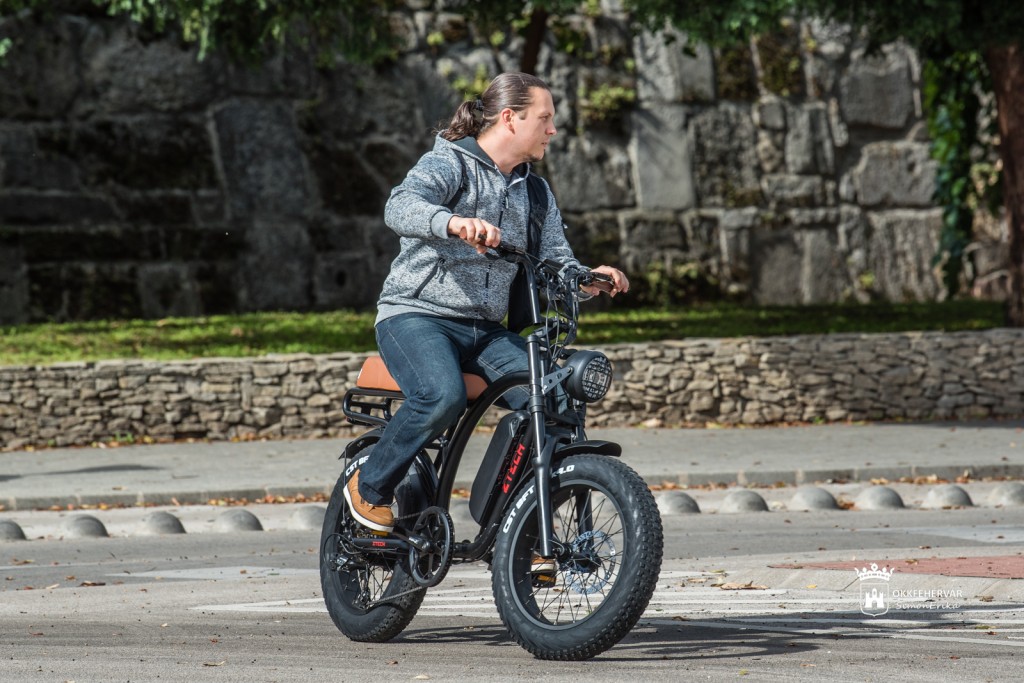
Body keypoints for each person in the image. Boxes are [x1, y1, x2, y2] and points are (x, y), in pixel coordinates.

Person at [344, 72, 629, 533]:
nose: (553, 129)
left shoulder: (534, 190)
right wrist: (453, 223)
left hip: (485, 330)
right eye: (545, 118)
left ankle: (515, 526)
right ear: (510, 118)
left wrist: (587, 279)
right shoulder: (449, 163)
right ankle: (369, 486)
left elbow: (554, 261)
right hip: (416, 315)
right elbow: (400, 206)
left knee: (555, 398)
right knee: (442, 396)